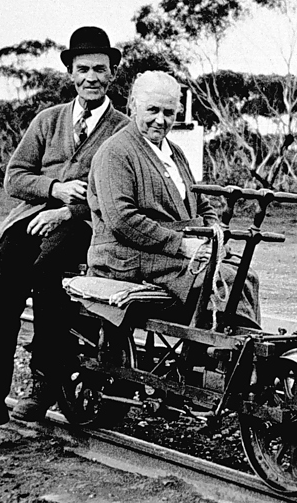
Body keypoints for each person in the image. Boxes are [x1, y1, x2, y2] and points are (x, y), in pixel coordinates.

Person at [0, 26, 130, 443]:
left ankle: (45, 378)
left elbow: (122, 194)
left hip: (86, 226)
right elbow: (14, 178)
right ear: (71, 73)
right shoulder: (47, 120)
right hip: (31, 220)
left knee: (50, 272)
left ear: (112, 75)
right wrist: (52, 189)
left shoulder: (123, 129)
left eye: (100, 70)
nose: (91, 77)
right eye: (83, 69)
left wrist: (71, 206)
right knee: (4, 294)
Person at [87, 71, 260, 328]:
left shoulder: (174, 152)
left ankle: (235, 351)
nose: (160, 120)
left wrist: (213, 233)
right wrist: (182, 245)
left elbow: (199, 202)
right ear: (134, 105)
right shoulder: (115, 152)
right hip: (127, 256)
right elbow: (122, 220)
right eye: (152, 110)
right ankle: (218, 354)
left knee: (246, 274)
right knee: (223, 277)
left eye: (169, 113)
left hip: (166, 254)